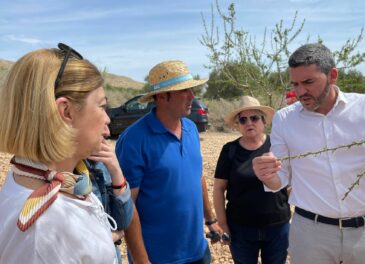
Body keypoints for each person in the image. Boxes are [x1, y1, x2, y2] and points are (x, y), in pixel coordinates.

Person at [252, 43, 365, 264]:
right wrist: (267, 175)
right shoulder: (285, 120)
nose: (300, 91)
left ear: (332, 75)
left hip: (364, 232)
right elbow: (280, 181)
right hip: (310, 235)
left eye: (309, 82)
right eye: (295, 84)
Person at [0, 43, 118, 263]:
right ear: (67, 112)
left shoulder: (55, 180)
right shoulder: (44, 229)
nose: (107, 118)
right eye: (102, 106)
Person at [115, 60, 222, 264]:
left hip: (198, 251)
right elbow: (128, 206)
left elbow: (197, 177)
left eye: (192, 89)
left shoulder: (190, 128)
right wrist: (141, 259)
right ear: (163, 96)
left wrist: (211, 220)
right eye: (184, 91)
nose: (192, 96)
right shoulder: (134, 140)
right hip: (159, 257)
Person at [213, 96, 291, 264]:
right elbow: (219, 188)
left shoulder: (278, 146)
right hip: (241, 228)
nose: (249, 123)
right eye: (243, 119)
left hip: (277, 226)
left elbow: (291, 181)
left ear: (263, 121)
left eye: (254, 118)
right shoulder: (229, 150)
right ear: (238, 125)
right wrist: (222, 224)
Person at [86, 127, 133, 264]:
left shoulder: (99, 161)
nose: (107, 130)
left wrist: (116, 170)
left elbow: (123, 222)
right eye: (101, 107)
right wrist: (108, 237)